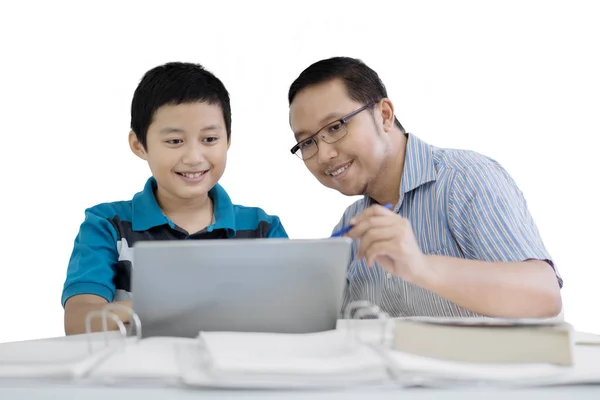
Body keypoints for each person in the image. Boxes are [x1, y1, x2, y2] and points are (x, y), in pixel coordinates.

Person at [287, 56, 562, 318]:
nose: (323, 155)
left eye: (335, 127)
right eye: (308, 143)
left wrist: (421, 266)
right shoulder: (350, 224)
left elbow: (545, 295)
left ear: (384, 115)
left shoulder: (464, 179)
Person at [62, 62, 288, 334]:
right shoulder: (108, 225)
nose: (194, 157)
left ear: (228, 140)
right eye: (174, 141)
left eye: (209, 139)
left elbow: (290, 314)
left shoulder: (263, 229)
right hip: (138, 374)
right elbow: (79, 321)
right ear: (139, 145)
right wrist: (179, 305)